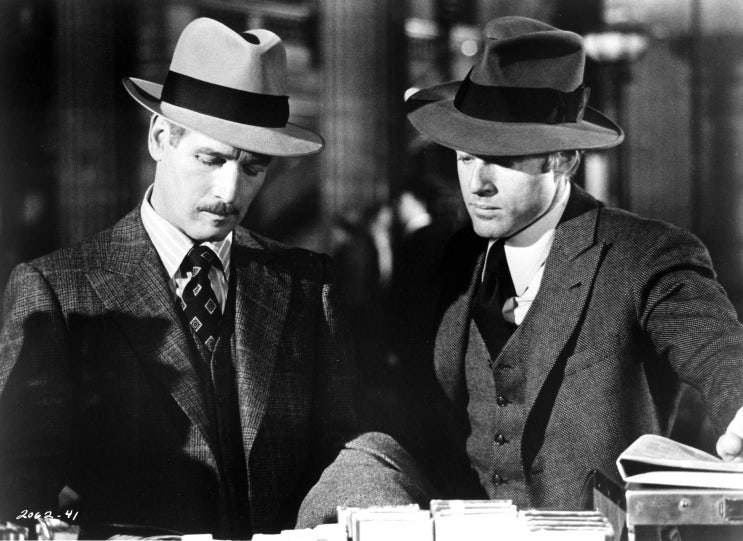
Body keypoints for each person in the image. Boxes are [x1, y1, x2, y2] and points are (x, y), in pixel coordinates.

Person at [0, 18, 426, 538]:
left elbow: (344, 443)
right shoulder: (56, 290)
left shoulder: (308, 283)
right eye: (211, 158)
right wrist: (85, 533)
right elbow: (19, 493)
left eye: (254, 168)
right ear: (161, 137)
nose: (229, 191)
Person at [403, 16, 743, 510]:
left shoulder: (643, 254)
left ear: (564, 159)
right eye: (465, 158)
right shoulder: (452, 258)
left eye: (504, 160)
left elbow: (717, 349)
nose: (478, 184)